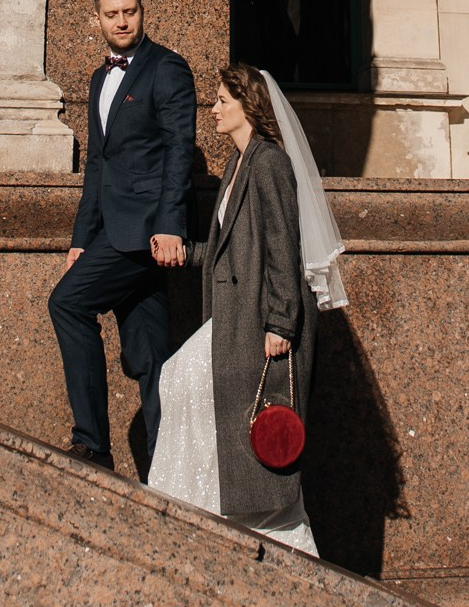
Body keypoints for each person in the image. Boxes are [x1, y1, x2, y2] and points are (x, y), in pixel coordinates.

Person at [147, 61, 347, 554]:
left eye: (221, 101)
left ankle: (223, 514)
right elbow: (229, 249)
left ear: (247, 106)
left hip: (261, 320)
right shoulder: (238, 164)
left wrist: (281, 322)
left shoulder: (270, 163)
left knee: (192, 386)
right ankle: (206, 504)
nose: (212, 109)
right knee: (181, 381)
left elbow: (283, 244)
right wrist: (184, 253)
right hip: (234, 319)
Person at [48, 0, 196, 471]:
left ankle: (92, 443)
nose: (122, 21)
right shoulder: (98, 78)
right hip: (111, 230)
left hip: (147, 234)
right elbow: (98, 164)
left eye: (129, 11)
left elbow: (180, 153)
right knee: (150, 354)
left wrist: (171, 224)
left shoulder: (168, 69)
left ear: (141, 11)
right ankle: (169, 469)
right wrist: (80, 240)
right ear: (97, 19)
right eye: (112, 14)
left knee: (67, 304)